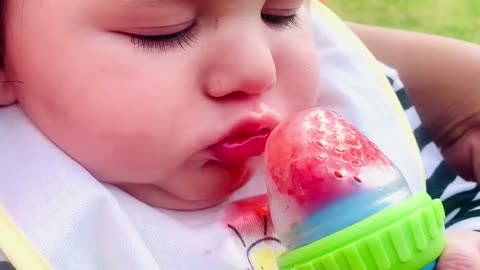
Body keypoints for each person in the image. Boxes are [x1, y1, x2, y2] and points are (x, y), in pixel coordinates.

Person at [0, 1, 479, 269]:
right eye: (164, 32)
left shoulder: (352, 105)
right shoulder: (25, 230)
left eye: (280, 13)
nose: (257, 69)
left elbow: (459, 204)